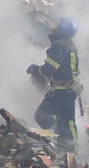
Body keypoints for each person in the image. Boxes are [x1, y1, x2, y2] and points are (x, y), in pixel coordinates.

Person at [27, 18, 81, 152]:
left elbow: (48, 69)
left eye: (58, 25)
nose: (54, 27)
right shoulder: (67, 44)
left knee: (67, 123)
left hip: (64, 92)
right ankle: (60, 139)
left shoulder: (61, 45)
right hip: (61, 91)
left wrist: (34, 69)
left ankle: (72, 154)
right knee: (41, 115)